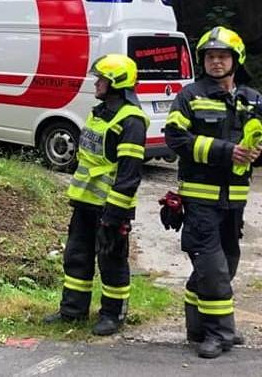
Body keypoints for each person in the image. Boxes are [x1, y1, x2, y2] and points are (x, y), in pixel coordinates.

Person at [165, 26, 261, 358]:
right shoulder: (189, 95)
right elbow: (175, 139)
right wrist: (225, 151)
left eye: (222, 56)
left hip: (234, 202)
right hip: (200, 199)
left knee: (226, 265)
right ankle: (220, 333)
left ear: (236, 60)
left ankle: (197, 328)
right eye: (210, 56)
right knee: (213, 268)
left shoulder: (252, 99)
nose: (216, 62)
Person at [44, 54, 148, 336]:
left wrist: (113, 217)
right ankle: (72, 311)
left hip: (111, 207)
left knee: (111, 261)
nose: (97, 82)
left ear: (116, 82)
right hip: (85, 202)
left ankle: (113, 315)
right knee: (77, 256)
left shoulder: (132, 121)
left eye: (102, 78)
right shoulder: (98, 112)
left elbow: (129, 176)